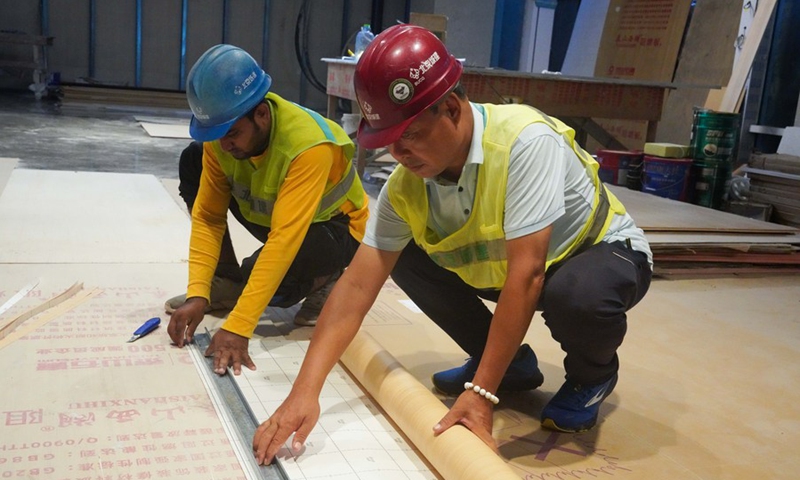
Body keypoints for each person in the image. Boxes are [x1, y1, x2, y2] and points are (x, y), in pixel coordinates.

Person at [251, 24, 652, 464]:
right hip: (508, 269)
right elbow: (356, 288)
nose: (400, 154)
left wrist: (480, 395)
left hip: (591, 253)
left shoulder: (523, 142)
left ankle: (591, 376)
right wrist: (304, 393)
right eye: (388, 141)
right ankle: (508, 363)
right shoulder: (405, 189)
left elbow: (528, 274)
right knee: (399, 254)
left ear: (453, 108)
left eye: (410, 135)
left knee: (577, 297)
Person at [166, 44, 369, 375]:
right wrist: (198, 293)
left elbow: (285, 240)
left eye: (231, 133)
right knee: (193, 159)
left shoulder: (308, 146)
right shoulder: (222, 144)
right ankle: (228, 281)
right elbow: (208, 217)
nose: (223, 145)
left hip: (334, 231)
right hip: (278, 216)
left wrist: (240, 325)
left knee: (274, 286)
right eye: (216, 135)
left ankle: (328, 278)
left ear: (261, 114)